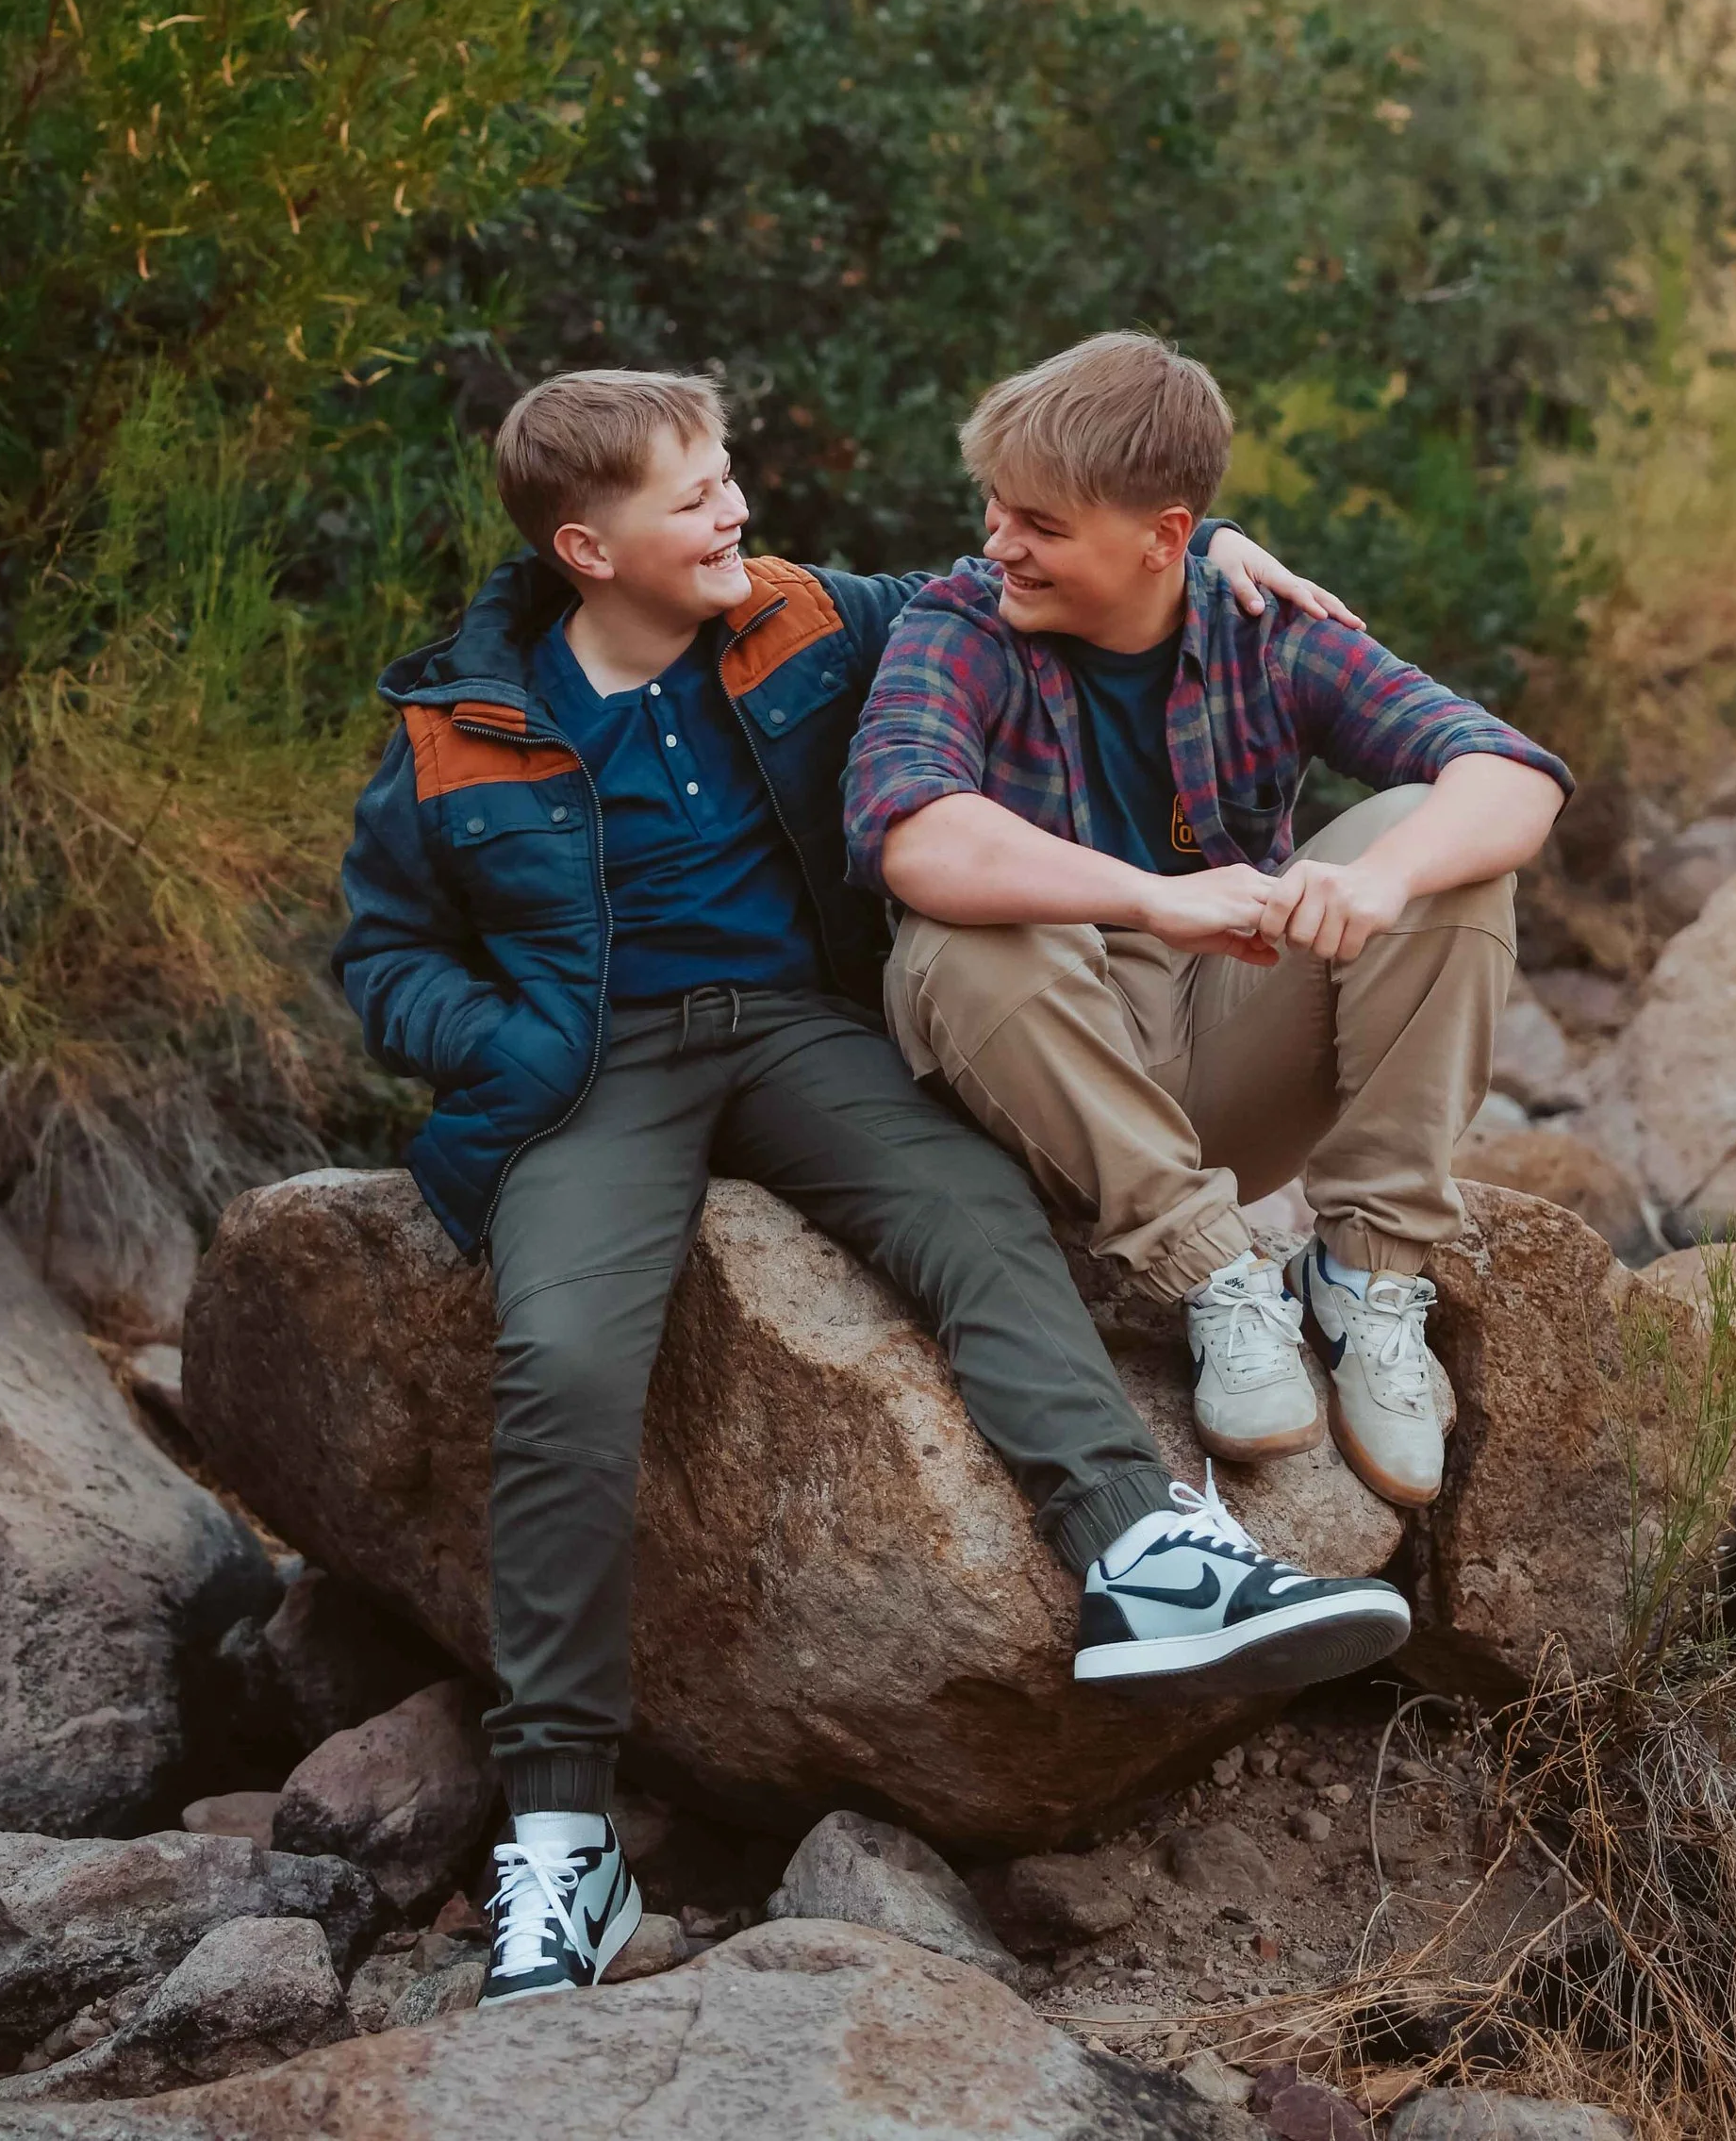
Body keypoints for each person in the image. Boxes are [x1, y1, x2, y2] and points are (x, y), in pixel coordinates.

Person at [332, 368, 1414, 2007]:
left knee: (973, 1217)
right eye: (693, 498)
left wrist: (1220, 543)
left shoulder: (803, 620)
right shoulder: (456, 730)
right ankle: (564, 1841)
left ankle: (1142, 1557)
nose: (735, 513)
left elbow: (1032, 584)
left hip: (801, 1034)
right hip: (590, 1074)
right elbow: (382, 955)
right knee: (559, 1361)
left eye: (726, 482)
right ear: (585, 545)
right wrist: (496, 1040)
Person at [843, 332, 1570, 1520]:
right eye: (994, 507)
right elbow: (908, 829)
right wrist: (1147, 895)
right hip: (1047, 1083)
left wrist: (1381, 884)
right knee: (961, 927)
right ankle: (1216, 1280)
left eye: (1038, 524)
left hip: (1229, 1052)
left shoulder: (1263, 630)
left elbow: (1515, 775)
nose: (996, 543)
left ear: (1163, 536)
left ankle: (1363, 1279)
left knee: (1439, 848)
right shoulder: (958, 625)